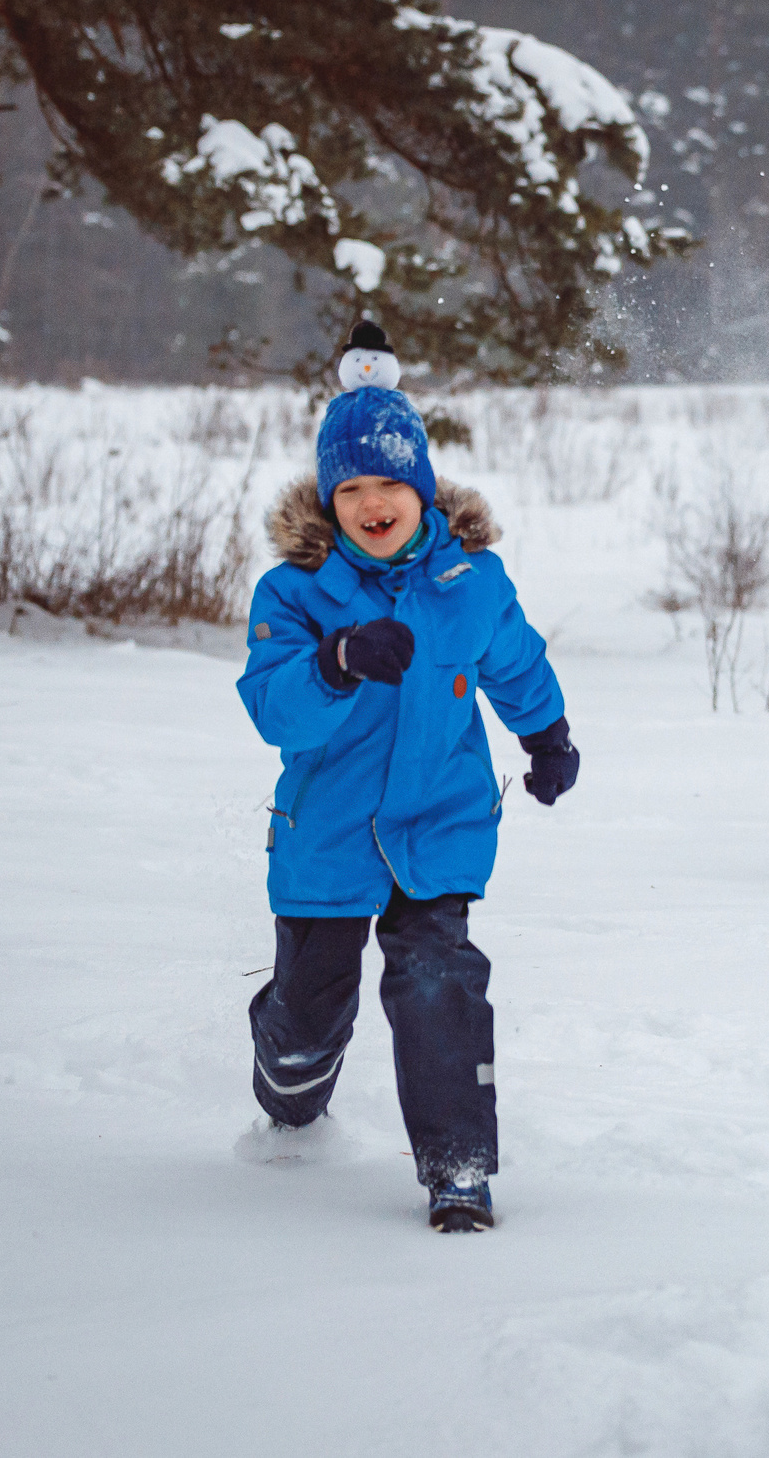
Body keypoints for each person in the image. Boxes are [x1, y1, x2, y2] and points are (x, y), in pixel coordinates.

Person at [234, 337, 580, 1232]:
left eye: (388, 484)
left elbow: (515, 659)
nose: (371, 504)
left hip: (437, 823)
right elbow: (274, 709)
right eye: (350, 490)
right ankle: (288, 1077)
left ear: (421, 486)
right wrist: (337, 660)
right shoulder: (295, 592)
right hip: (329, 836)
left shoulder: (469, 582)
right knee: (312, 1012)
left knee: (438, 981)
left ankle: (459, 1168)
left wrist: (546, 735)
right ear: (328, 500)